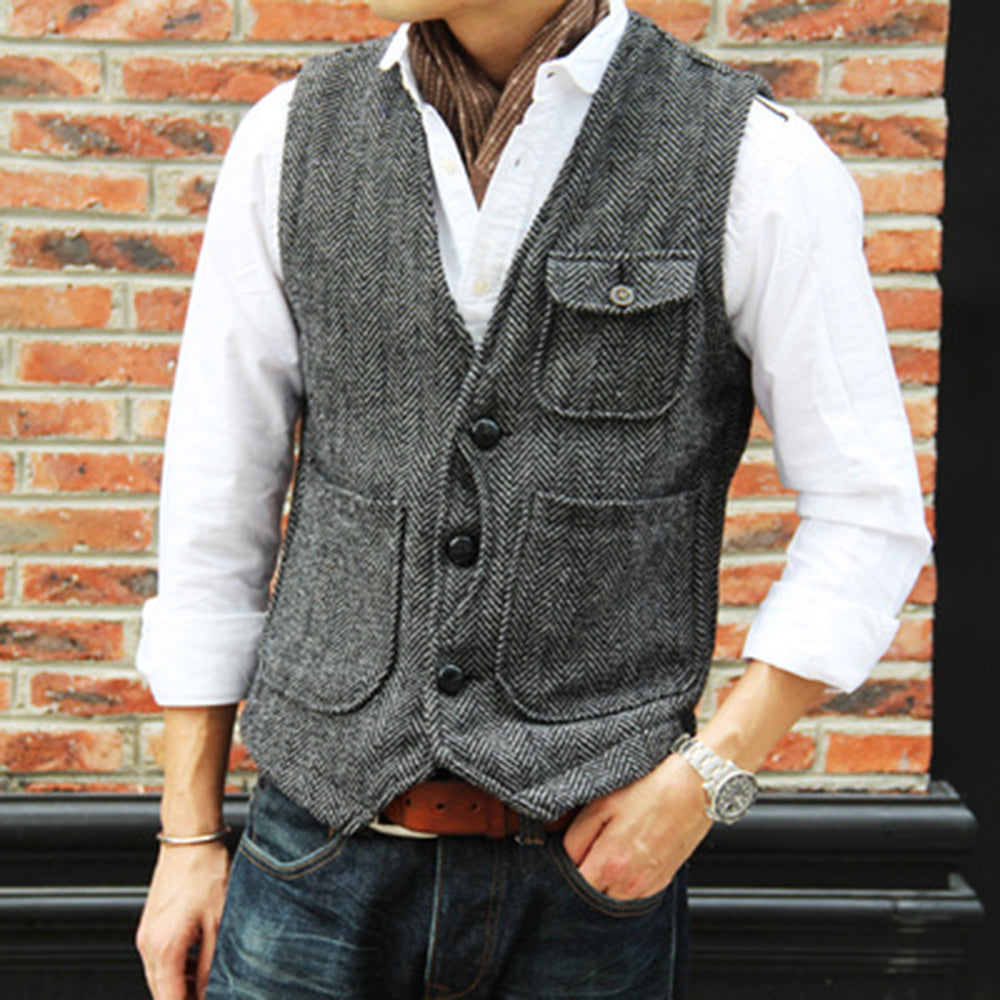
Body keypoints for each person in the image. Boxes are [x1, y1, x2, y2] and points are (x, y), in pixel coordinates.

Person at [133, 0, 932, 997]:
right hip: (313, 860)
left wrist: (707, 779)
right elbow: (215, 501)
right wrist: (187, 836)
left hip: (589, 880)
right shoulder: (290, 137)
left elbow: (866, 511)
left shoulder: (754, 159)